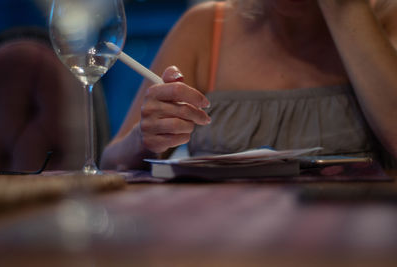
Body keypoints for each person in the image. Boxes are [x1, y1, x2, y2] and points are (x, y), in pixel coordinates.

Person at [100, 0, 397, 170]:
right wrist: (144, 138)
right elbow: (111, 162)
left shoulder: (388, 20)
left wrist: (345, 8)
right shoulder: (204, 27)